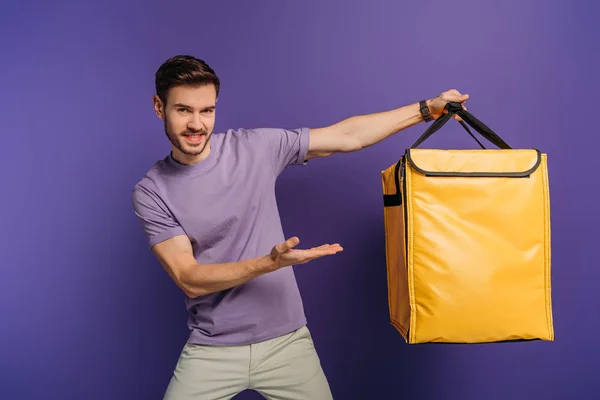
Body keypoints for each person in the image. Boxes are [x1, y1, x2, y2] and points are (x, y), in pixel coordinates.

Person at [132, 54, 469, 399]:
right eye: (184, 110)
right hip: (211, 348)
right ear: (160, 107)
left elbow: (347, 136)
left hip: (286, 344)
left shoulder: (253, 148)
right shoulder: (152, 190)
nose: (197, 124)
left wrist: (428, 108)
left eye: (207, 111)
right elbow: (189, 279)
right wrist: (269, 264)